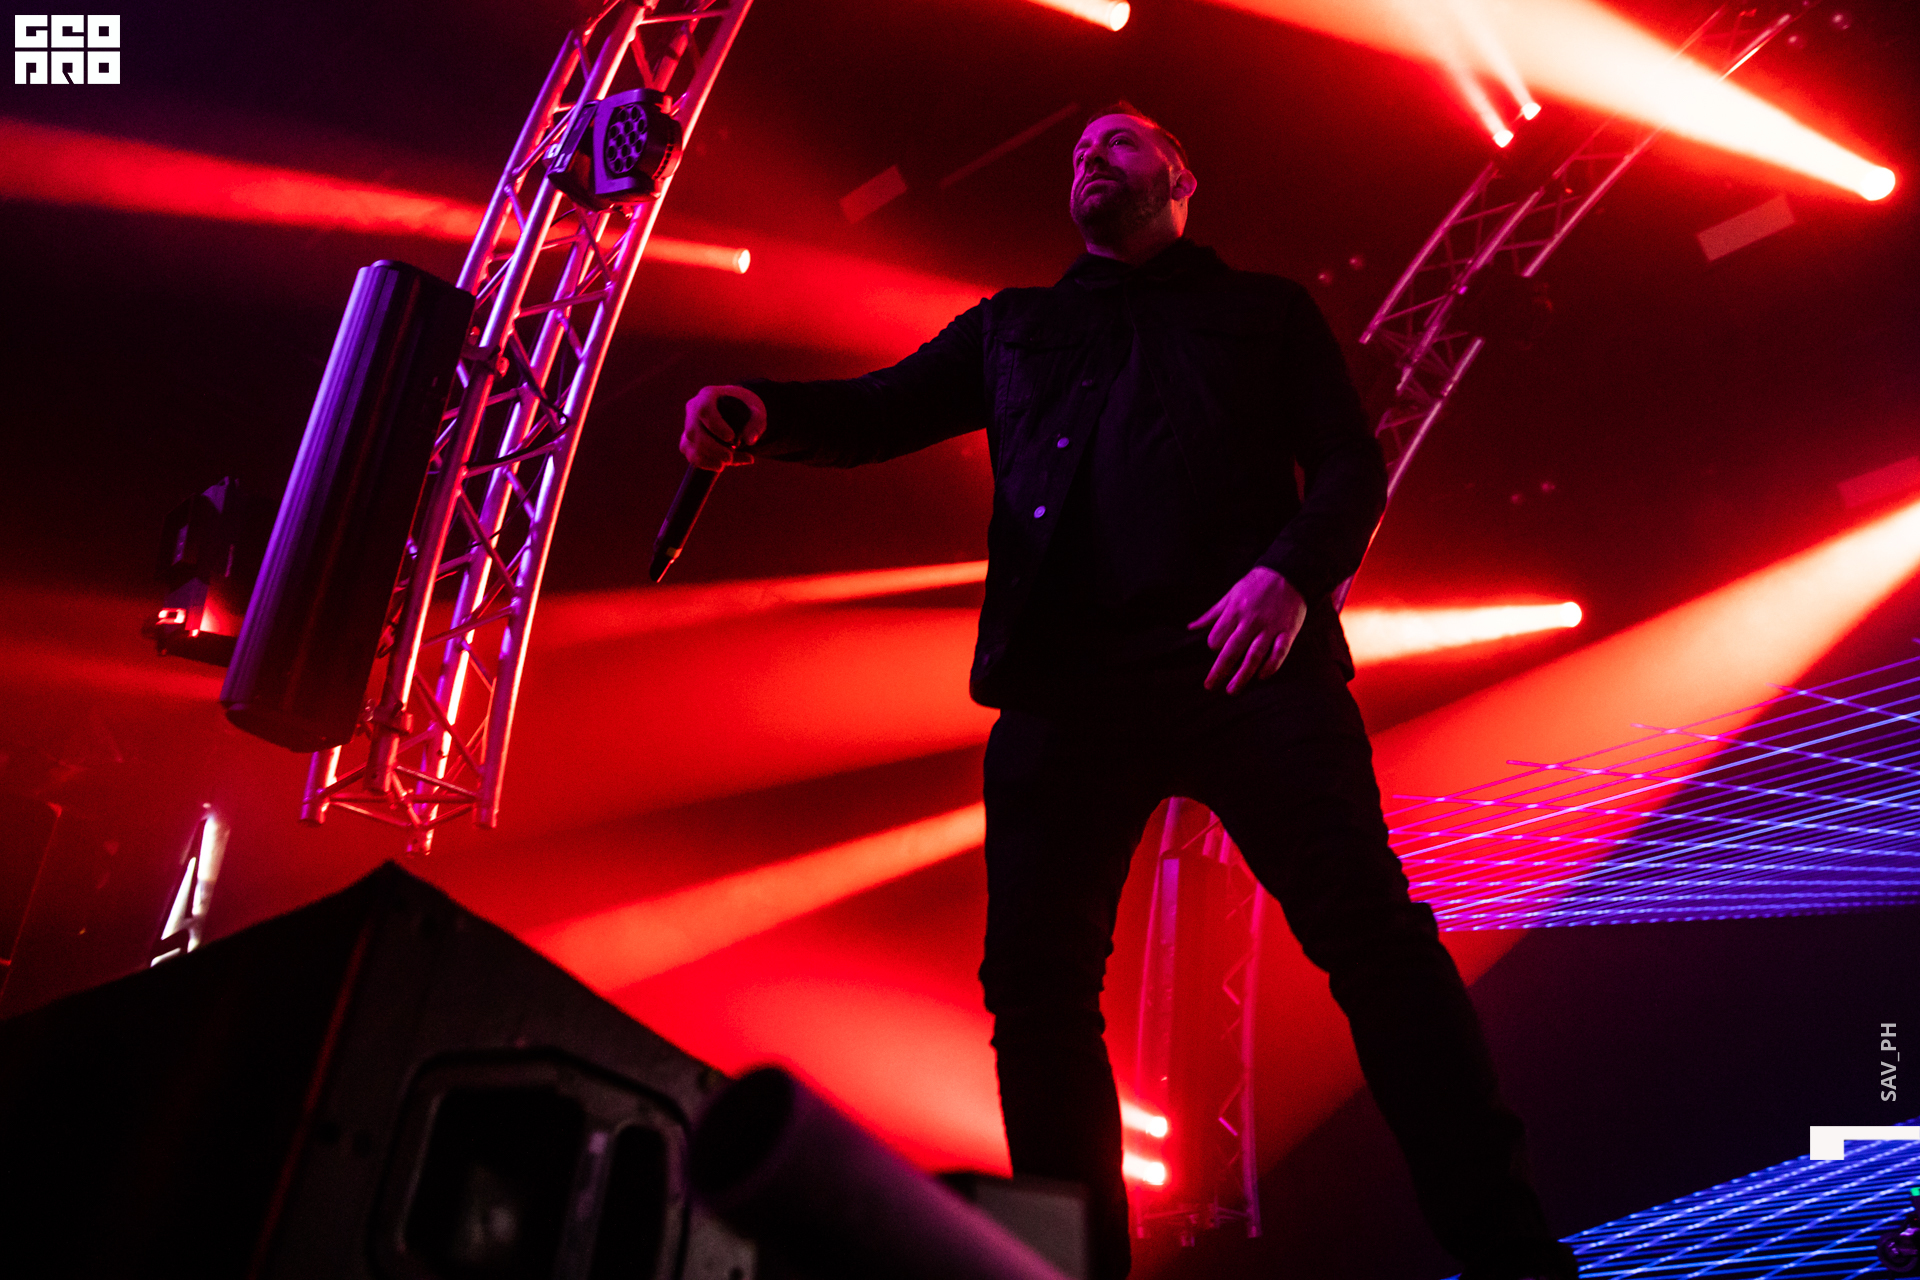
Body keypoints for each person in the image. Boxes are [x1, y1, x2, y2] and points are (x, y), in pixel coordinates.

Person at [678, 103, 1577, 1280]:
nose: (1087, 156)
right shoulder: (1016, 326)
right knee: (1037, 993)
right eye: (1076, 150)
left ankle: (1510, 1255)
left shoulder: (1265, 310)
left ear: (1181, 178)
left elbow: (1350, 461)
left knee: (1375, 940)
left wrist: (1291, 575)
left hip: (1245, 661)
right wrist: (762, 413)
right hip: (1070, 686)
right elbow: (881, 409)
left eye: (1117, 141)